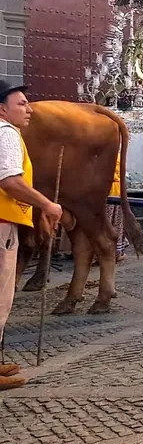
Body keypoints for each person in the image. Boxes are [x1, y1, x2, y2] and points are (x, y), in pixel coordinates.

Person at [0, 81, 63, 390]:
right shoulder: (6, 133)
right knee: (0, 296)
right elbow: (10, 181)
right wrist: (47, 204)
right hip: (1, 223)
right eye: (21, 103)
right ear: (2, 109)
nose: (29, 109)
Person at [107, 152, 129, 263]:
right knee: (114, 222)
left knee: (111, 221)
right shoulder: (115, 154)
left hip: (112, 190)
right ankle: (115, 251)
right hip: (114, 191)